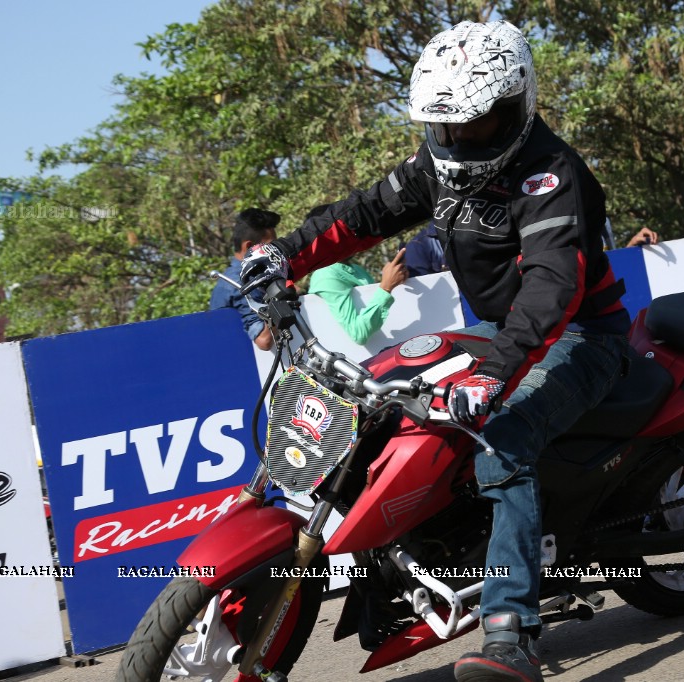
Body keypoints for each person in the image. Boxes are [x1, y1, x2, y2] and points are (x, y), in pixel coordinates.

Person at [240, 20, 629, 682]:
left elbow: (552, 287)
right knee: (384, 405)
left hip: (577, 336)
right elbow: (360, 216)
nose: (457, 140)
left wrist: (493, 376)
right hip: (503, 332)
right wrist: (282, 255)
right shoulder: (438, 165)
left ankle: (510, 633)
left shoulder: (548, 174)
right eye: (444, 128)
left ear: (514, 106)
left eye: (474, 126)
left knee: (501, 440)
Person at [210, 208, 279, 350]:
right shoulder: (242, 282)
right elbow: (264, 340)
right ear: (249, 247)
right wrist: (282, 296)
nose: (276, 252)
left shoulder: (246, 276)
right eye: (271, 246)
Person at [307, 249, 408, 344]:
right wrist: (386, 287)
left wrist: (395, 279)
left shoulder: (357, 269)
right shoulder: (326, 276)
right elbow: (358, 334)